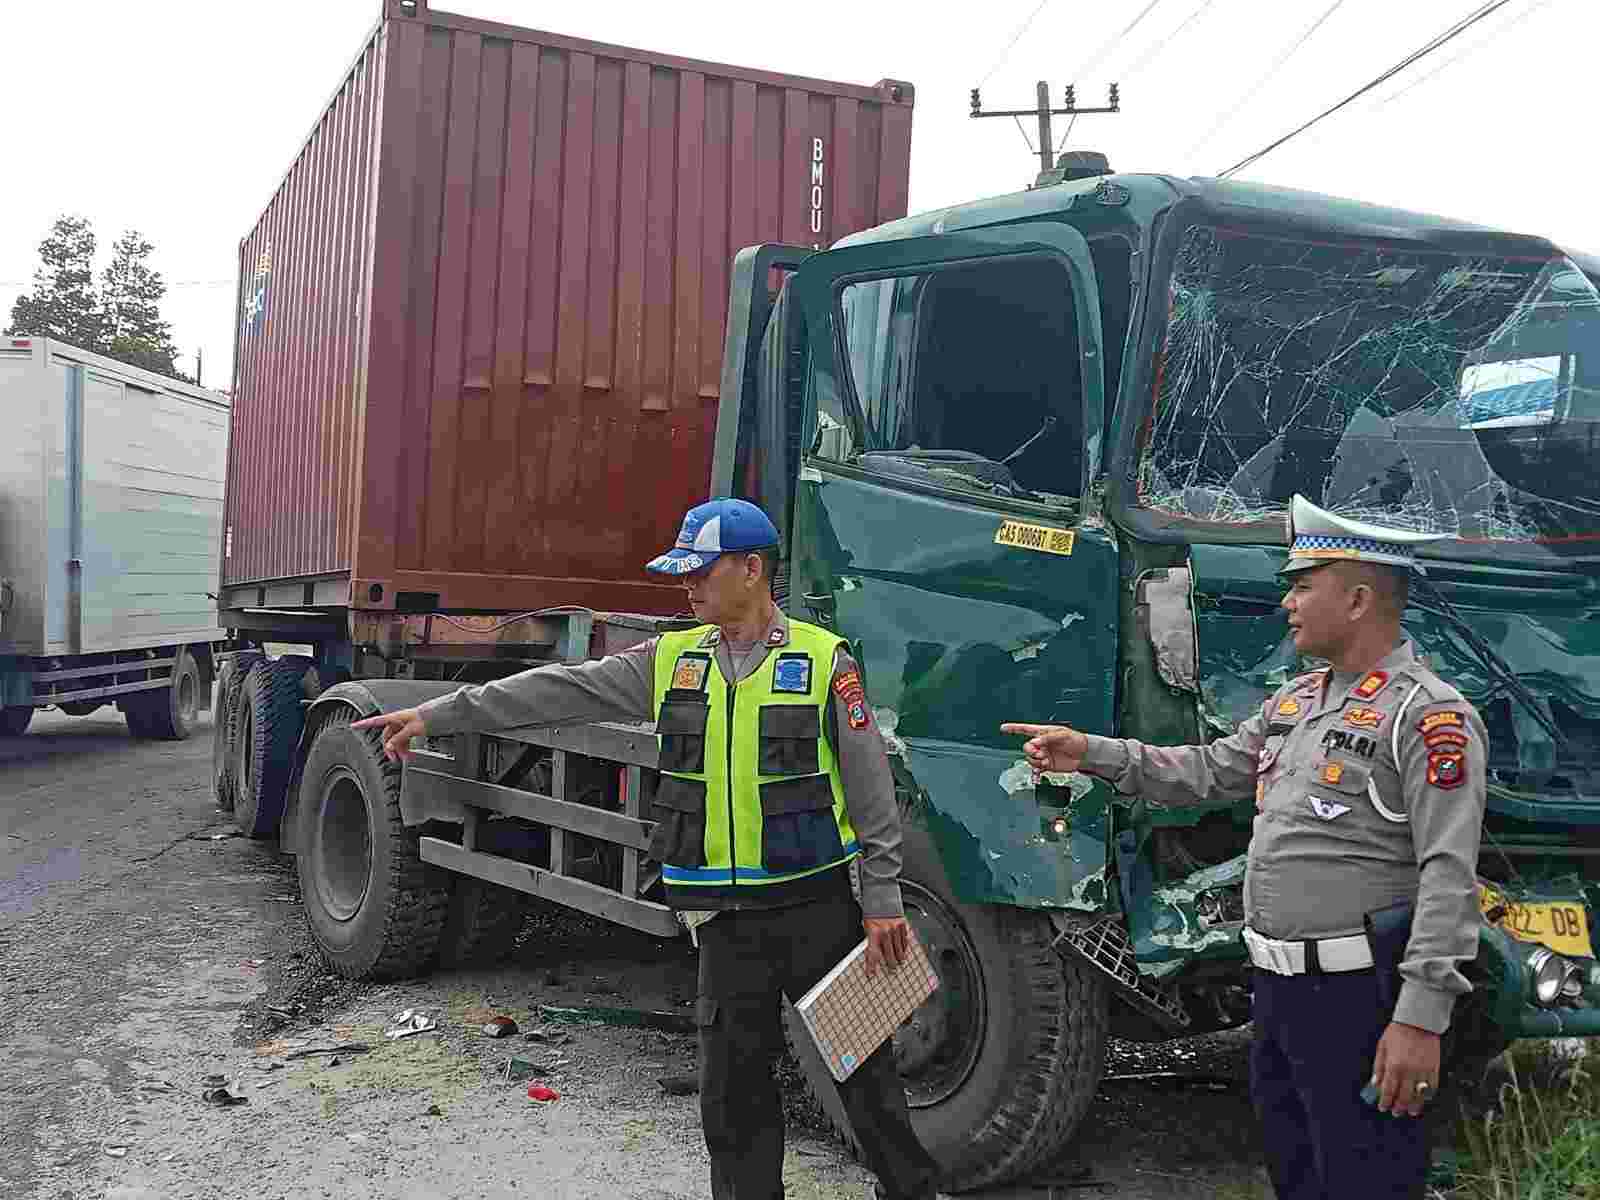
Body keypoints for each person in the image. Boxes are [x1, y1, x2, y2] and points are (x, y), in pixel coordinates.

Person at [354, 498, 942, 1200]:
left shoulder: (824, 661)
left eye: (701, 571)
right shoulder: (671, 660)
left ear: (752, 569)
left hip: (822, 913)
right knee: (732, 1102)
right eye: (682, 573)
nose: (686, 587)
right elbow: (557, 691)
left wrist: (882, 900)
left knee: (871, 1088)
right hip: (725, 923)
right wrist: (438, 713)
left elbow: (872, 792)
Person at [1002, 495, 1487, 1200]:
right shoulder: (1297, 701)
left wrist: (1419, 1019)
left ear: (1357, 600)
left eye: (1302, 585)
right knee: (1297, 1175)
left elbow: (1449, 877)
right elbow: (1207, 771)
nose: (1286, 602)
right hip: (1280, 996)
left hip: (1362, 997)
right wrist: (1094, 753)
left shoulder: (1427, 717)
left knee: (1367, 1179)